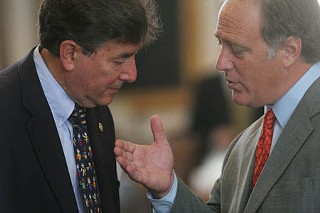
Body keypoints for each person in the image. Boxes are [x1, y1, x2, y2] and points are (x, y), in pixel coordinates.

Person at [114, 0, 320, 212]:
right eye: (221, 45)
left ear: (289, 50)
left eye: (237, 50)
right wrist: (168, 191)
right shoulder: (244, 145)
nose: (220, 64)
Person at [0, 0, 161, 212]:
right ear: (70, 54)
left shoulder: (95, 107)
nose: (131, 75)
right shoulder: (5, 110)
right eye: (119, 61)